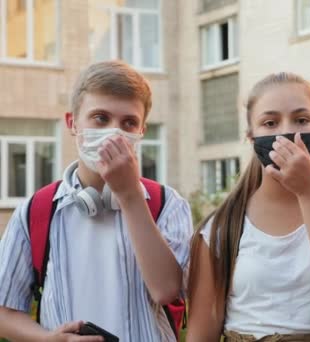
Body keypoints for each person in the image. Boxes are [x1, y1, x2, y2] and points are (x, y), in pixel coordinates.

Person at [0, 60, 192, 342]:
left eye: (129, 122)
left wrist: (129, 196)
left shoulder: (167, 204)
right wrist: (50, 339)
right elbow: (4, 311)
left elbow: (166, 291)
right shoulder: (36, 211)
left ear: (141, 132)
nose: (114, 132)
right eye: (100, 118)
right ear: (73, 123)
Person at [186, 72, 310, 342]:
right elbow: (200, 333)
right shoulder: (221, 229)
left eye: (301, 120)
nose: (287, 132)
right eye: (270, 122)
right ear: (251, 136)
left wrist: (308, 191)